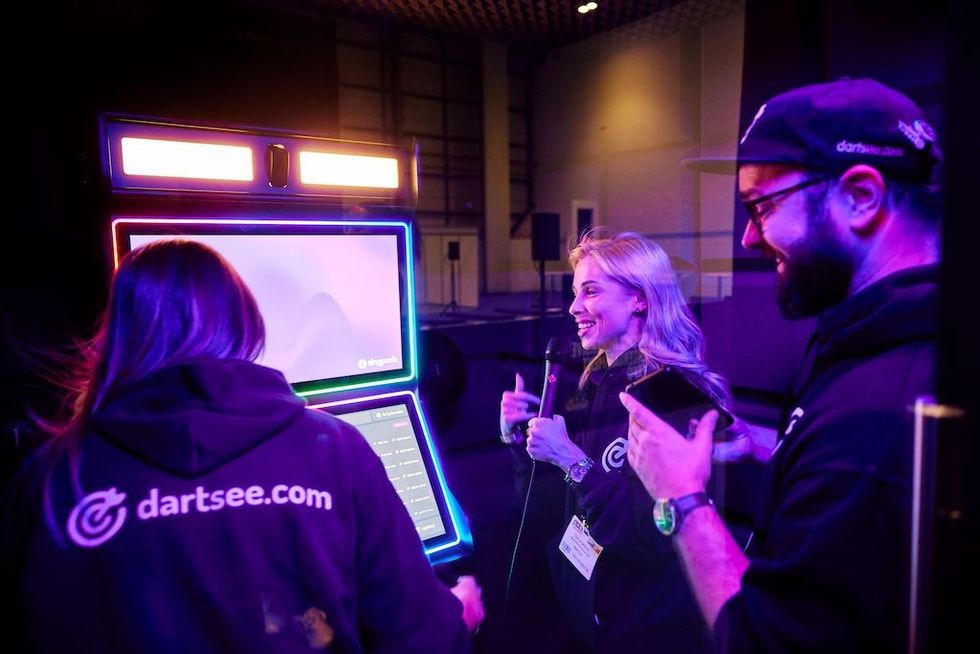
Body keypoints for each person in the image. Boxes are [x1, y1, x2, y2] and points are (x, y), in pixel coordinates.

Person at [1, 239, 483, 653]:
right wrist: (458, 613)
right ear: (243, 322)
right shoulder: (335, 448)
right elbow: (419, 634)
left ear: (119, 333)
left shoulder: (52, 475)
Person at [622, 78, 941, 653]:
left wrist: (681, 496)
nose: (748, 237)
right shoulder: (866, 338)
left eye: (762, 206)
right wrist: (771, 447)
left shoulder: (879, 412)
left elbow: (759, 641)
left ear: (860, 196)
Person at [500, 229, 730, 653]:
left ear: (639, 299)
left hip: (649, 634)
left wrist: (572, 460)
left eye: (590, 291)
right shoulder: (596, 383)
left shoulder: (674, 397)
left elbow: (652, 539)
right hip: (590, 622)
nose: (574, 307)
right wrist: (521, 441)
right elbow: (556, 505)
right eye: (575, 293)